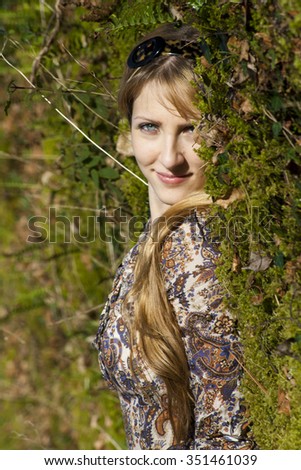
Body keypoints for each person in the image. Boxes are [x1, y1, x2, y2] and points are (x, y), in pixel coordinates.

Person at [94, 22, 255, 450]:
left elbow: (227, 441)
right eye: (150, 127)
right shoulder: (155, 241)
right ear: (128, 127)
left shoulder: (201, 247)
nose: (169, 158)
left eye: (191, 129)